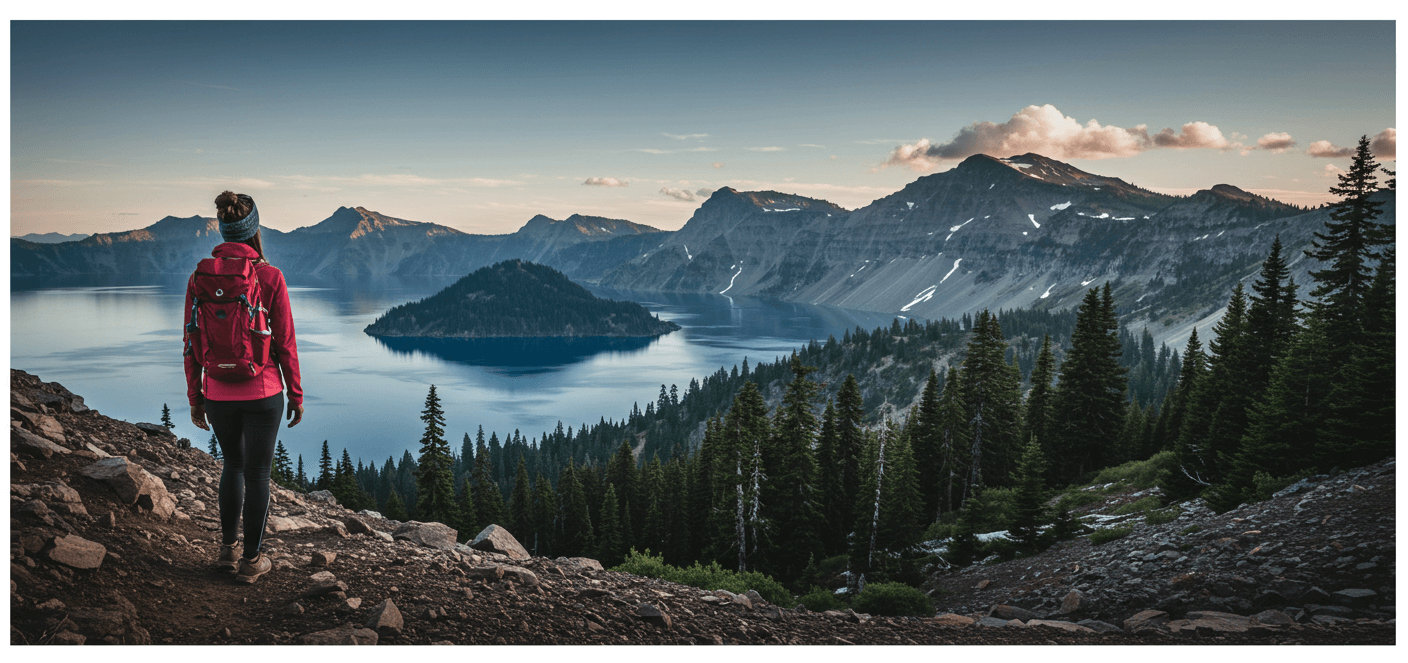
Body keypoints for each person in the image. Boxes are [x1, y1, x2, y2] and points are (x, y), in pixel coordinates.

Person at [184, 190, 304, 584]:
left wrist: (196, 398)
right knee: (258, 473)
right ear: (254, 231)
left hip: (218, 393)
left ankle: (227, 551)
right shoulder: (269, 277)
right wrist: (297, 395)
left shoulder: (200, 277)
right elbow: (284, 343)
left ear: (223, 228)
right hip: (263, 392)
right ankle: (252, 562)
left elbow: (190, 343)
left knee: (232, 465)